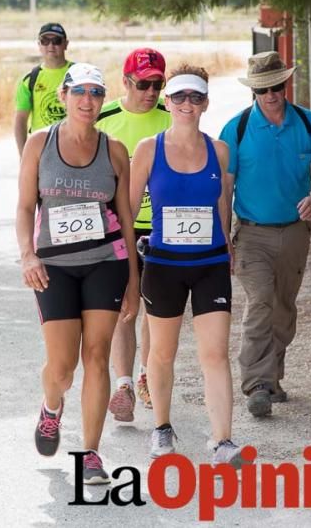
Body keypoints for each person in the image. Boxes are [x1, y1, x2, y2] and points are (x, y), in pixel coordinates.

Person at [16, 63, 138, 485]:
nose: (88, 101)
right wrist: (27, 255)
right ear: (65, 96)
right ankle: (52, 406)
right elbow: (24, 207)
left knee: (98, 356)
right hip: (54, 267)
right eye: (80, 92)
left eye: (96, 93)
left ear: (104, 100)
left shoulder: (115, 149)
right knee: (63, 367)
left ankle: (90, 453)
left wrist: (133, 284)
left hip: (106, 261)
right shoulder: (39, 143)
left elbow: (125, 218)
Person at [128, 64, 244, 468]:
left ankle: (223, 440)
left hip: (210, 262)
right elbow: (127, 213)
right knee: (162, 352)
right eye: (179, 96)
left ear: (206, 102)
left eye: (195, 97)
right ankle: (162, 426)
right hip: (162, 265)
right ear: (167, 100)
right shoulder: (147, 149)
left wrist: (228, 246)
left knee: (215, 354)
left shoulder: (220, 151)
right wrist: (128, 270)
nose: (187, 104)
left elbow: (223, 203)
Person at [218, 51, 311, 417]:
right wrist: (223, 238)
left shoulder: (307, 121)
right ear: (254, 90)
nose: (271, 94)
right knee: (260, 302)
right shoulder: (235, 129)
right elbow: (224, 188)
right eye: (263, 88)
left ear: (286, 84)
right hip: (251, 235)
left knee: (284, 308)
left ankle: (272, 376)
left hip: (296, 233)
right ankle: (257, 384)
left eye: (277, 86)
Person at [94, 47, 171, 421]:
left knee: (155, 309)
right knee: (125, 309)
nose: (151, 91)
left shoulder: (172, 121)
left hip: (162, 228)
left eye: (158, 83)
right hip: (114, 226)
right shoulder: (104, 119)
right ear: (125, 82)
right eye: (143, 84)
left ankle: (145, 375)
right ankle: (123, 383)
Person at [13, 22, 74, 154]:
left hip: (74, 147)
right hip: (41, 150)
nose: (51, 46)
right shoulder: (30, 80)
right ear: (39, 45)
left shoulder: (78, 73)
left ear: (66, 44)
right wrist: (24, 155)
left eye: (56, 41)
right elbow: (20, 120)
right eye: (45, 41)